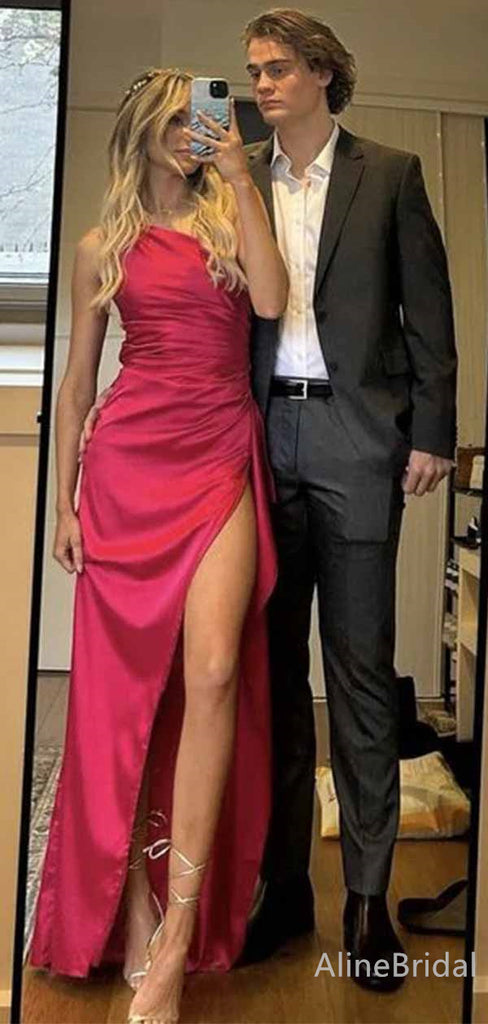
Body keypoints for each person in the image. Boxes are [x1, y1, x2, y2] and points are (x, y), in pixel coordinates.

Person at [81, 7, 458, 995]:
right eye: (251, 70)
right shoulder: (226, 169)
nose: (258, 84)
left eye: (278, 68)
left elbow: (429, 310)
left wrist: (431, 431)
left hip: (358, 440)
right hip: (251, 443)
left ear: (324, 73)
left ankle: (366, 902)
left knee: (359, 676)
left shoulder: (388, 174)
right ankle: (280, 891)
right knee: (269, 680)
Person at [28, 67, 288, 1024]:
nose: (191, 133)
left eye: (201, 119)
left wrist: (242, 176)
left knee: (213, 671)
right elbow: (76, 382)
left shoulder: (228, 222)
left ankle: (178, 933)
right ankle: (133, 908)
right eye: (175, 121)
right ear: (141, 128)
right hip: (128, 467)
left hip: (218, 455)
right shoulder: (103, 244)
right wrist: (62, 504)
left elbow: (271, 302)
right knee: (126, 695)